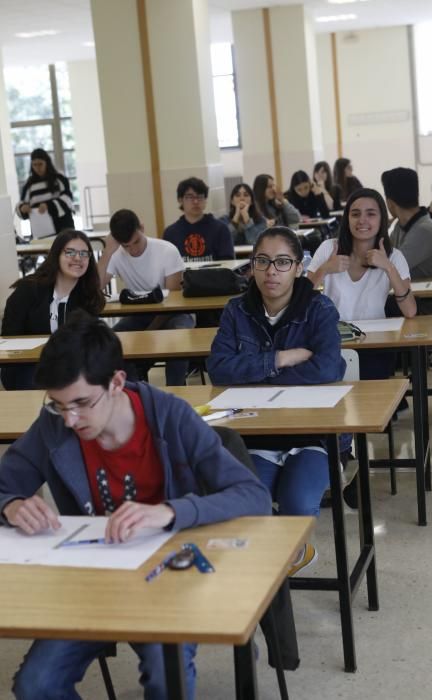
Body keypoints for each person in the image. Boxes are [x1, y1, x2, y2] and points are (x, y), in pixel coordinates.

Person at [0, 313, 271, 700]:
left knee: (166, 679)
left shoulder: (170, 417)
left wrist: (170, 512)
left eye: (80, 403)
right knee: (36, 685)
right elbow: (4, 485)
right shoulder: (55, 424)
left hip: (171, 578)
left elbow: (252, 495)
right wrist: (10, 504)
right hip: (95, 580)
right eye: (59, 405)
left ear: (116, 383)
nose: (71, 419)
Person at [207, 226, 347, 573]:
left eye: (283, 262)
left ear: (299, 267)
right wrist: (280, 359)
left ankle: (290, 558)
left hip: (314, 435)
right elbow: (219, 369)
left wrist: (254, 373)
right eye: (263, 261)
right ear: (251, 266)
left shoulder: (319, 309)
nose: (272, 271)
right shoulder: (237, 310)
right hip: (256, 434)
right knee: (243, 503)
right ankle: (272, 567)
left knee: (296, 501)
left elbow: (328, 368)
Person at [308, 188, 416, 380]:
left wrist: (388, 268)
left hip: (375, 343)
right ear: (347, 218)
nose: (362, 220)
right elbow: (301, 298)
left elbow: (410, 310)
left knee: (372, 390)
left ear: (382, 219)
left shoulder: (394, 256)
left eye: (371, 214)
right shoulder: (328, 249)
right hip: (332, 340)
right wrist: (324, 269)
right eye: (355, 214)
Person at [98, 208, 194, 385]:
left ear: (141, 228)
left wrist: (150, 332)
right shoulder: (116, 253)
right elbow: (95, 288)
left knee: (178, 337)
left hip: (175, 313)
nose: (132, 250)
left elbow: (174, 303)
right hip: (140, 314)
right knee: (111, 341)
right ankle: (135, 388)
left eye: (136, 242)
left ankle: (176, 390)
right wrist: (107, 251)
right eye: (126, 246)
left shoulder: (167, 250)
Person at [1, 229, 105, 390]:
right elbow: (10, 338)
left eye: (84, 254)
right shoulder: (28, 289)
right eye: (70, 252)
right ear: (56, 255)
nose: (78, 258)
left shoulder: (88, 295)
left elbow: (88, 340)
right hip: (28, 367)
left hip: (72, 365)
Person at [382, 167, 432, 316]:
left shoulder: (425, 229)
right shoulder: (400, 226)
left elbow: (390, 266)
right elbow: (384, 254)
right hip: (406, 300)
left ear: (390, 202)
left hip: (425, 308)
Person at [163, 177, 234, 261]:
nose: (196, 201)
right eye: (190, 197)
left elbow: (228, 263)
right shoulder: (170, 233)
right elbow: (167, 264)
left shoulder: (220, 229)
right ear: (180, 200)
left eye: (200, 197)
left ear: (205, 200)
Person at [16, 148, 74, 237]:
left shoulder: (59, 179)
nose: (37, 168)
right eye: (34, 165)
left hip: (63, 226)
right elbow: (21, 204)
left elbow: (68, 199)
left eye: (40, 164)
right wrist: (23, 208)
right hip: (41, 230)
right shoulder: (29, 184)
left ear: (47, 163)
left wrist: (48, 205)